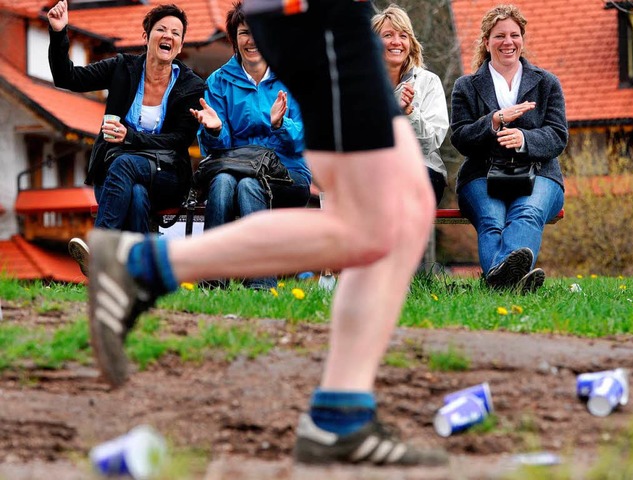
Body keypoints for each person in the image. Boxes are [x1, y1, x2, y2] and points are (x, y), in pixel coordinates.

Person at [85, 0, 448, 467]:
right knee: (377, 220)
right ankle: (139, 267)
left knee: (408, 206)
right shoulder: (227, 78)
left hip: (327, 17)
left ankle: (342, 413)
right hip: (314, 14)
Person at [47, 1, 204, 276]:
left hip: (166, 174)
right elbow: (68, 78)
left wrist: (130, 137)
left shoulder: (191, 85)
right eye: (161, 29)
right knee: (136, 193)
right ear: (146, 37)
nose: (168, 36)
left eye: (176, 33)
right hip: (115, 176)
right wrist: (59, 33)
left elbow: (179, 140)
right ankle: (140, 275)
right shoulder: (123, 68)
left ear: (180, 45)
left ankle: (100, 250)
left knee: (126, 164)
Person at [191, 2, 311, 290]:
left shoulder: (293, 77)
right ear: (234, 38)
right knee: (222, 181)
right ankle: (212, 282)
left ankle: (261, 283)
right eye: (244, 32)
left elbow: (306, 141)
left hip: (288, 173)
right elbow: (214, 151)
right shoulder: (219, 82)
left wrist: (281, 125)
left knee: (248, 186)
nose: (252, 39)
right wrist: (216, 130)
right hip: (234, 170)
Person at [450, 4, 568, 293]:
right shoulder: (466, 86)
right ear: (486, 41)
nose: (508, 42)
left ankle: (499, 284)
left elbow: (558, 135)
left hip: (540, 174)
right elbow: (461, 137)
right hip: (480, 174)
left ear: (522, 40)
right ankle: (513, 284)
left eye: (515, 35)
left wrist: (524, 140)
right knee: (492, 220)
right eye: (500, 35)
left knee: (525, 213)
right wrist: (493, 121)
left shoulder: (547, 83)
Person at [372, 4, 449, 205]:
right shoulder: (361, 85)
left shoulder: (429, 82)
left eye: (403, 35)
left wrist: (410, 113)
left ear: (411, 43)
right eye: (388, 35)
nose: (396, 42)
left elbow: (431, 143)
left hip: (422, 171)